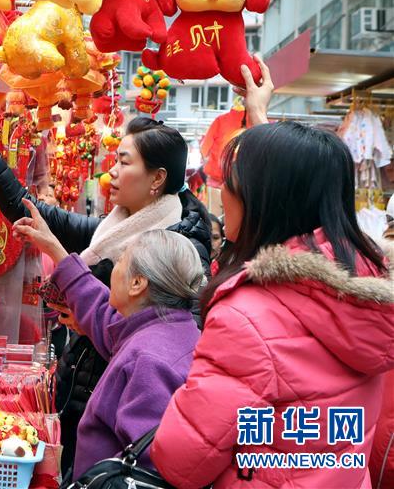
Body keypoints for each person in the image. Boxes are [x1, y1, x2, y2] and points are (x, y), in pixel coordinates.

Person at [151, 59, 394, 489]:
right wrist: (258, 114)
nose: (221, 192)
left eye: (229, 181)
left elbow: (181, 460)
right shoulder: (365, 288)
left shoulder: (249, 317)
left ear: (259, 198)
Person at [0, 94, 212, 475]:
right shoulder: (113, 228)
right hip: (83, 391)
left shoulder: (179, 248)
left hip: (118, 410)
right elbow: (33, 211)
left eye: (123, 162)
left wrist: (87, 308)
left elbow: (162, 336)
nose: (111, 173)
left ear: (157, 179)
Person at [15, 215, 202, 479]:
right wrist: (54, 248)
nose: (112, 269)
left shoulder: (150, 360)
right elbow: (101, 311)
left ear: (137, 284)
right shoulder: (165, 329)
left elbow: (145, 471)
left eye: (121, 260)